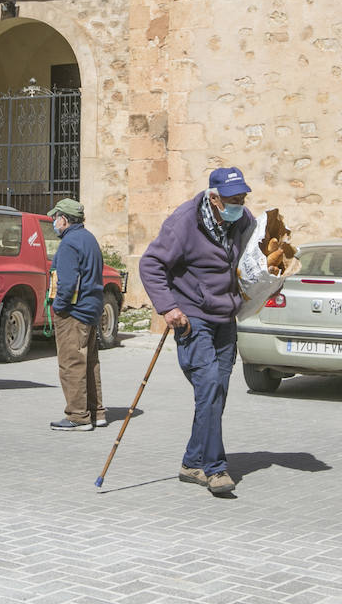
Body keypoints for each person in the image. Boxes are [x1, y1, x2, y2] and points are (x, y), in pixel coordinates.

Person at [139, 167, 254, 497]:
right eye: (233, 200)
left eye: (243, 198)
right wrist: (168, 307)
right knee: (209, 387)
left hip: (225, 316)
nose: (240, 205)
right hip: (192, 316)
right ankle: (215, 469)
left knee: (216, 393)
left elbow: (252, 256)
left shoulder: (241, 219)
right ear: (214, 197)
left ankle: (191, 462)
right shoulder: (184, 222)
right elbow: (151, 264)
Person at [46, 198, 107, 431]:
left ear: (63, 219)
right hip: (90, 309)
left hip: (74, 311)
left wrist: (59, 307)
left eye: (55, 218)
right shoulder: (88, 238)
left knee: (71, 363)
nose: (54, 222)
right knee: (90, 362)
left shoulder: (70, 243)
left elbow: (68, 282)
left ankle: (77, 416)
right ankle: (96, 412)